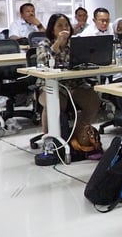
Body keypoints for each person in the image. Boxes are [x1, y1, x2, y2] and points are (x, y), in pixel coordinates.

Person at [37, 14, 102, 157]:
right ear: (52, 29)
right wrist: (57, 44)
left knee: (93, 100)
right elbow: (43, 62)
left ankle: (77, 133)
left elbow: (86, 61)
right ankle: (49, 139)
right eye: (60, 26)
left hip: (75, 84)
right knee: (54, 103)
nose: (64, 28)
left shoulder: (75, 44)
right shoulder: (44, 44)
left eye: (66, 25)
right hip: (51, 87)